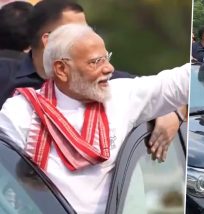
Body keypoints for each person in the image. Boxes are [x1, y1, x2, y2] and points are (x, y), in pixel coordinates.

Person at [0, 23, 189, 214]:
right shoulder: (20, 113)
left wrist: (175, 112)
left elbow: (179, 82)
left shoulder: (121, 95)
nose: (109, 68)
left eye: (107, 58)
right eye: (96, 62)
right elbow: (8, 189)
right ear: (61, 69)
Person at [0, 0, 181, 161]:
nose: (88, 37)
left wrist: (172, 114)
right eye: (77, 32)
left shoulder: (106, 82)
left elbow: (162, 91)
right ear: (48, 40)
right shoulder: (5, 78)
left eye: (88, 29)